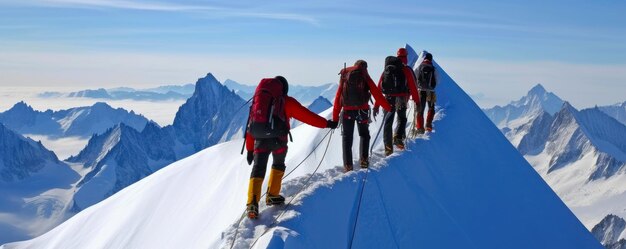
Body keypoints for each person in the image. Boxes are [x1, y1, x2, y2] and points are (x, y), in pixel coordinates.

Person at [244, 76, 338, 219]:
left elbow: (252, 124)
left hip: (259, 140)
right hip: (278, 141)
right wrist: (327, 124)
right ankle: (272, 195)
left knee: (258, 169)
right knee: (278, 164)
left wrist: (250, 149)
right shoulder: (286, 102)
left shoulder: (259, 102)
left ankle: (252, 203)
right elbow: (308, 116)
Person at [332, 60, 391, 172]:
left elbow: (338, 96)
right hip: (362, 111)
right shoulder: (364, 74)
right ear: (365, 67)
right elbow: (376, 93)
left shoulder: (345, 74)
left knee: (347, 138)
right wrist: (388, 107)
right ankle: (364, 160)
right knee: (364, 134)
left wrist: (335, 118)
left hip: (347, 112)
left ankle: (348, 165)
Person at [374, 48, 420, 156]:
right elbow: (413, 86)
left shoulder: (387, 69)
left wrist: (376, 105)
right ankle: (398, 138)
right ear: (406, 57)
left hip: (388, 99)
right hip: (402, 99)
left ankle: (388, 148)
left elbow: (378, 88)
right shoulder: (406, 69)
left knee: (388, 122)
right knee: (402, 118)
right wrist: (417, 101)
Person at [414, 52, 437, 134]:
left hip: (421, 91)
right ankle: (428, 124)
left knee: (420, 110)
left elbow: (414, 77)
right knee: (431, 108)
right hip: (430, 91)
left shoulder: (419, 67)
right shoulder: (433, 68)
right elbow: (438, 80)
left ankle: (420, 127)